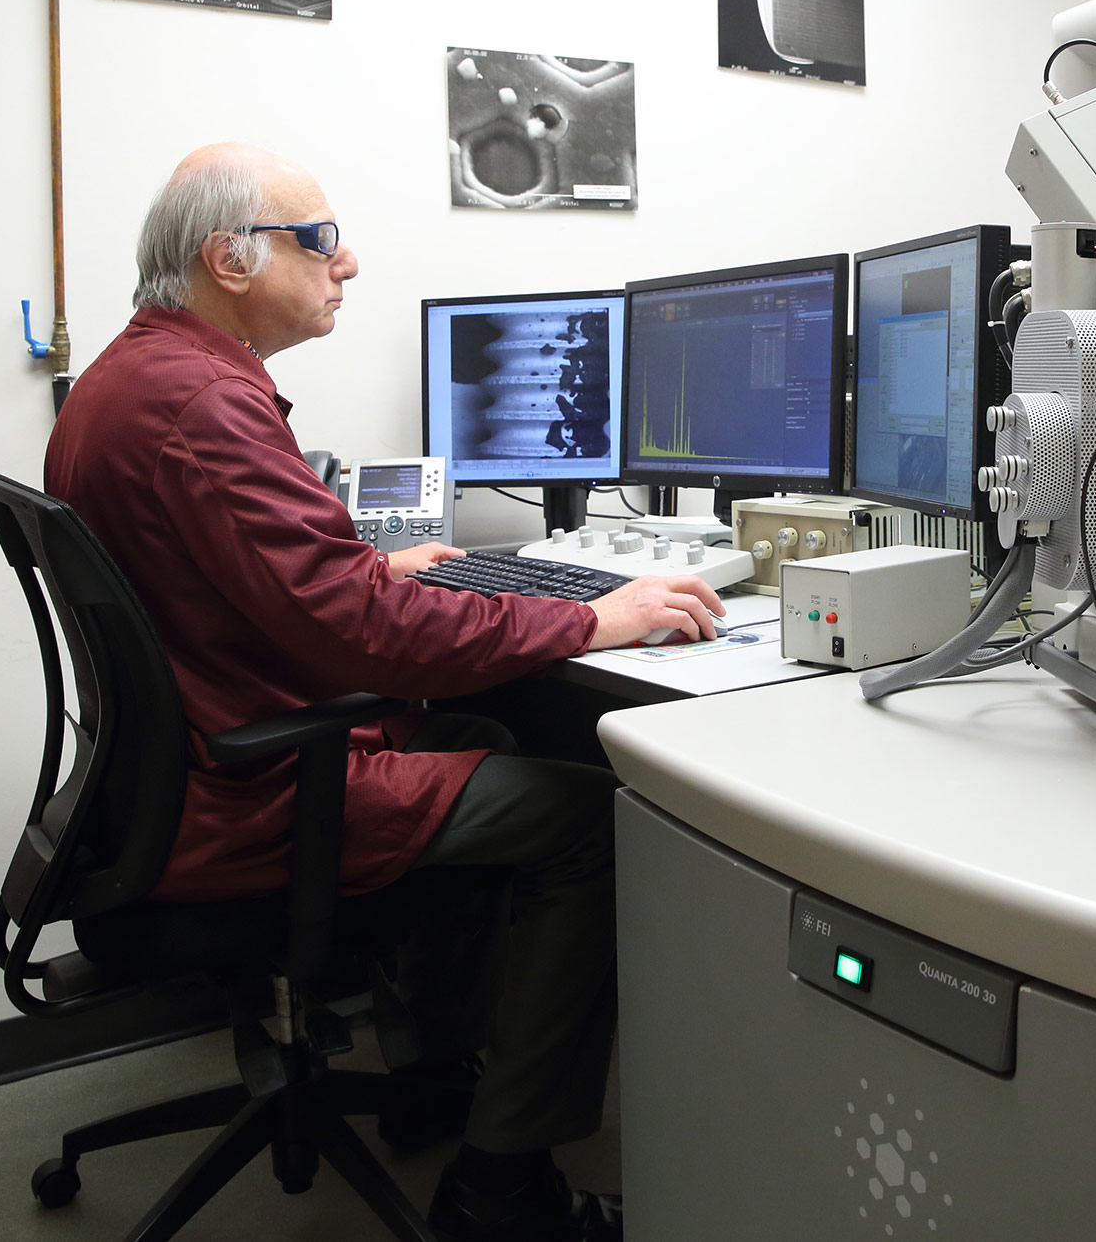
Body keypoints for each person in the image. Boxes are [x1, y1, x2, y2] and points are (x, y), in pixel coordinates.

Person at [45, 142, 718, 1242]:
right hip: (240, 793)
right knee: (592, 818)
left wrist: (367, 566)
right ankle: (499, 1180)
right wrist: (597, 616)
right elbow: (373, 638)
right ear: (231, 258)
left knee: (481, 725)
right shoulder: (203, 401)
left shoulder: (139, 375)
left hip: (180, 774)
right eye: (319, 240)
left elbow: (267, 586)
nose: (345, 261)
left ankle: (430, 1065)